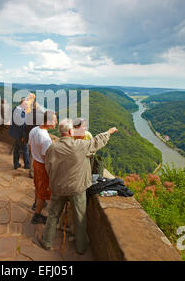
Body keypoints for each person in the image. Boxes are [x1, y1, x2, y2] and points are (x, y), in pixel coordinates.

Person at [35, 119, 118, 254]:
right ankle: (81, 248)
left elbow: (48, 168)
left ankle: (46, 242)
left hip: (58, 188)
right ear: (70, 131)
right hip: (77, 188)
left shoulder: (52, 148)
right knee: (80, 218)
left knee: (53, 215)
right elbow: (97, 141)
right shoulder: (80, 146)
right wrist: (109, 132)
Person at [28, 111, 57, 224]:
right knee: (43, 192)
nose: (56, 122)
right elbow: (47, 158)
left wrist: (36, 155)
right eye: (54, 120)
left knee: (37, 185)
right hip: (43, 166)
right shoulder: (45, 138)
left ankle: (36, 204)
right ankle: (37, 215)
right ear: (48, 121)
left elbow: (30, 146)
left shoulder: (34, 130)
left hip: (35, 162)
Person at [25, 100, 45, 178]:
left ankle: (32, 171)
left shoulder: (28, 115)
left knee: (32, 155)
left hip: (31, 136)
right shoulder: (42, 115)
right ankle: (36, 173)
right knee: (40, 156)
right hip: (40, 137)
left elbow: (26, 127)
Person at [8, 99, 30, 169]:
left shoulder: (15, 109)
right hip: (20, 135)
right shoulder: (21, 113)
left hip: (15, 133)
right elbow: (22, 126)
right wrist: (24, 136)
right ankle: (26, 165)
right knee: (25, 149)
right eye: (26, 105)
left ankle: (16, 164)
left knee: (16, 149)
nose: (27, 106)